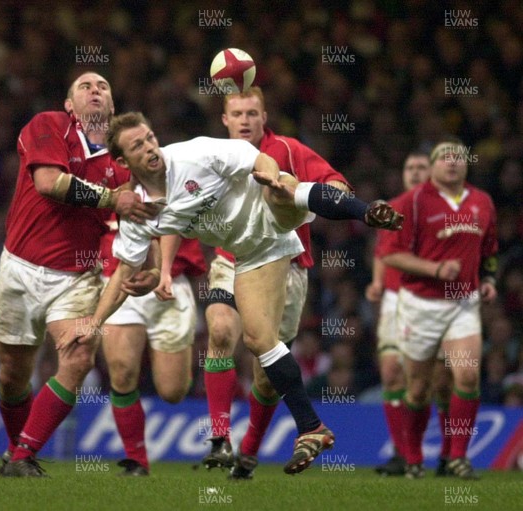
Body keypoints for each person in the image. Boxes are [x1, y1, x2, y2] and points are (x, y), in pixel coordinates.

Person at [56, 111, 403, 474]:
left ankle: (367, 212)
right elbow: (123, 272)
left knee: (283, 190)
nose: (150, 148)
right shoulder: (141, 210)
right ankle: (312, 428)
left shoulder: (195, 153)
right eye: (137, 146)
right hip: (251, 255)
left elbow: (258, 157)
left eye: (149, 138)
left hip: (270, 213)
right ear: (123, 161)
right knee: (258, 340)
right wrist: (93, 322)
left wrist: (269, 174)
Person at [171, 87, 351, 479]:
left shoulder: (287, 150)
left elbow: (338, 186)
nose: (245, 120)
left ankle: (249, 451)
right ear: (224, 119)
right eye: (237, 113)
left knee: (266, 377)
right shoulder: (214, 156)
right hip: (231, 259)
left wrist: (318, 197)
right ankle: (221, 440)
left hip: (287, 266)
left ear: (264, 116)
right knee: (219, 329)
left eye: (252, 112)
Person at [0, 72, 157, 477]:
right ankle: (16, 448)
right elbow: (49, 183)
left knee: (80, 355)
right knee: (13, 377)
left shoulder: (123, 167)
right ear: (70, 105)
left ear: (113, 107)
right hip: (19, 269)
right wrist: (112, 199)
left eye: (103, 86)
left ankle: (21, 456)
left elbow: (135, 224)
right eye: (84, 87)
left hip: (76, 278)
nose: (95, 90)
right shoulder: (47, 125)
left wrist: (152, 269)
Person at [381, 138, 498, 479]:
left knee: (466, 374)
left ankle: (458, 457)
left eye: (459, 157)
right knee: (418, 388)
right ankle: (414, 458)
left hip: (462, 303)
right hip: (420, 304)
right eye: (444, 158)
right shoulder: (412, 202)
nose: (452, 162)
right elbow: (391, 254)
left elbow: (489, 250)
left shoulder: (482, 202)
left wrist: (488, 279)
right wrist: (434, 269)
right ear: (432, 166)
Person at [366, 151, 453, 476]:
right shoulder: (393, 208)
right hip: (395, 298)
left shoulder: (447, 210)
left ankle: (447, 456)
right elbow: (382, 251)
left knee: (441, 380)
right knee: (391, 373)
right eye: (409, 167)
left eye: (421, 167)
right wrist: (376, 282)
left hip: (435, 300)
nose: (415, 172)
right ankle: (403, 455)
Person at [100, 220, 206, 476]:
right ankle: (136, 460)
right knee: (122, 371)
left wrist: (163, 268)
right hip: (119, 278)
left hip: (171, 283)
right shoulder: (108, 181)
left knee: (173, 391)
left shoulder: (178, 180)